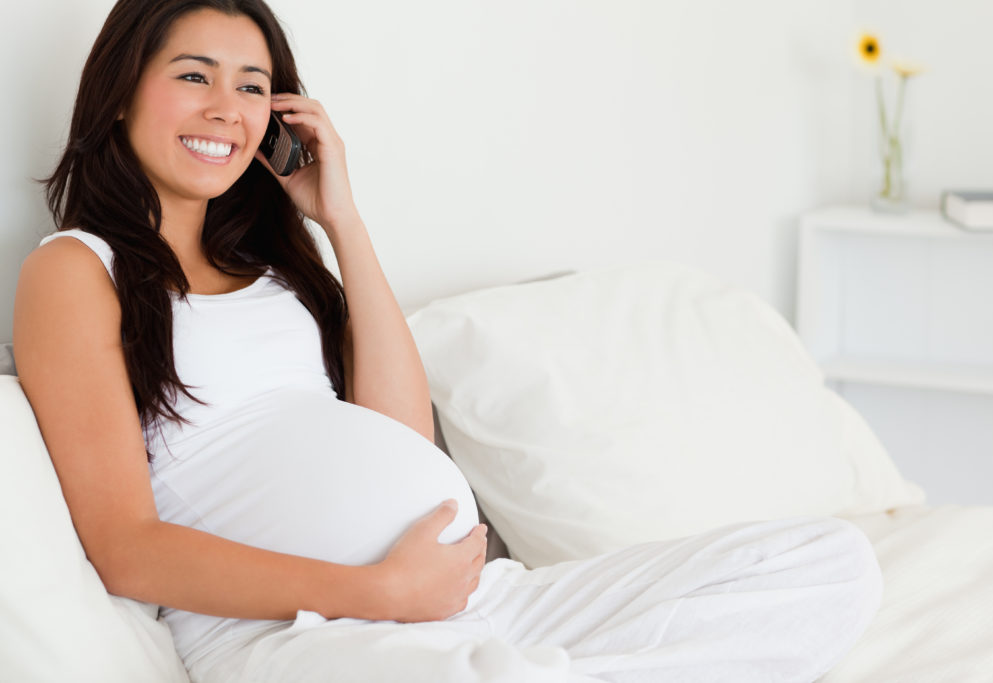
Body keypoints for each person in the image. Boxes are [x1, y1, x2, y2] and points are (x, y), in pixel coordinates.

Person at [13, 1, 883, 681]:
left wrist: (340, 218)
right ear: (124, 88)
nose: (226, 108)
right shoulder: (75, 269)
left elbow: (402, 438)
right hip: (296, 636)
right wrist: (377, 592)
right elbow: (125, 547)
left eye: (251, 85)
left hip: (477, 605)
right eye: (195, 76)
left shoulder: (277, 269)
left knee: (832, 565)